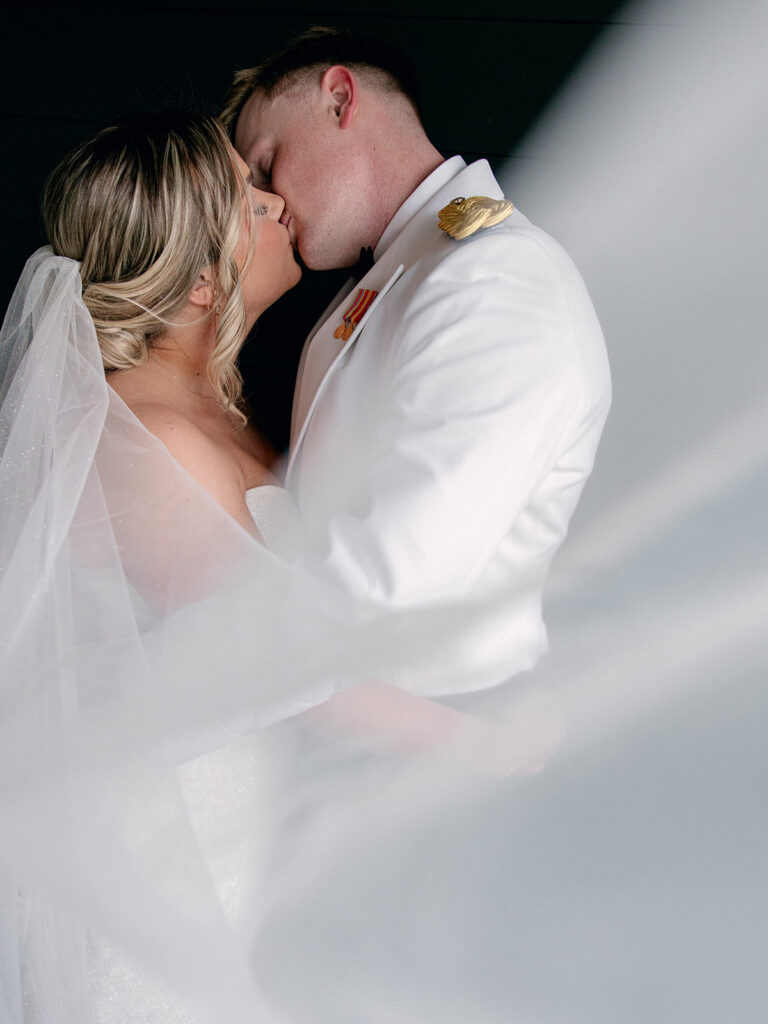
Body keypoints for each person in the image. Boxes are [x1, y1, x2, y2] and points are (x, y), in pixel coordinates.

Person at [223, 27, 612, 699]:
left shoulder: (494, 275)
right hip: (348, 713)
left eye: (267, 161)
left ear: (339, 99)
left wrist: (176, 664)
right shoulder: (406, 270)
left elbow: (389, 586)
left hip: (436, 737)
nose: (269, 201)